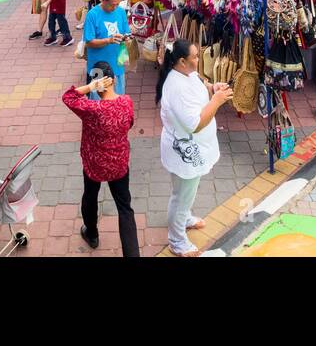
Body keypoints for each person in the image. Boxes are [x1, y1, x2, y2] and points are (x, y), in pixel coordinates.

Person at [157, 38, 232, 257]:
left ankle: (184, 217)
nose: (199, 59)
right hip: (186, 152)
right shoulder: (176, 87)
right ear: (182, 61)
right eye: (195, 56)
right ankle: (177, 240)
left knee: (185, 193)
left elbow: (200, 86)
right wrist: (217, 101)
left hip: (191, 149)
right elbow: (196, 124)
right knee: (181, 196)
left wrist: (212, 88)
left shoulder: (186, 74)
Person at [62, 62, 139, 257]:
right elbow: (129, 124)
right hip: (119, 162)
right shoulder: (126, 102)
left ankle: (92, 234)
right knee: (125, 207)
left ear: (97, 84)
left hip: (94, 162)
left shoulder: (92, 109)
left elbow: (68, 97)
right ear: (113, 80)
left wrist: (90, 87)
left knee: (90, 195)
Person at [82, 0, 129, 95]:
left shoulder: (121, 12)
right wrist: (108, 40)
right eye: (113, 4)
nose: (115, 7)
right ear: (103, 0)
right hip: (98, 70)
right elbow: (89, 42)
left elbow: (126, 32)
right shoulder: (92, 15)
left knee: (117, 103)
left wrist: (127, 38)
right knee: (98, 105)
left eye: (118, 3)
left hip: (117, 67)